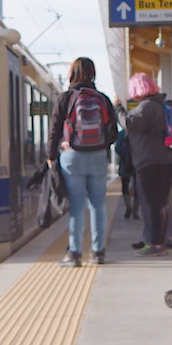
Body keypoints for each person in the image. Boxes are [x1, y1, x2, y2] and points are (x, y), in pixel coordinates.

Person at [47, 57, 117, 266]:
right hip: (97, 157)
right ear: (93, 73)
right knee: (98, 205)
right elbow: (113, 132)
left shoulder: (66, 97)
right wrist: (100, 145)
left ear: (72, 74)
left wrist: (52, 155)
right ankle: (98, 252)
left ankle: (74, 254)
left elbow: (54, 129)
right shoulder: (102, 99)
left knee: (76, 207)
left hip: (72, 157)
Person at [113, 73, 172, 256]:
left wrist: (117, 107)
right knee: (160, 203)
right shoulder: (158, 104)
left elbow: (128, 123)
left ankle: (157, 244)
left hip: (152, 162)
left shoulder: (148, 106)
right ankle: (154, 240)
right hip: (163, 160)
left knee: (153, 204)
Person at [114, 129, 139, 219]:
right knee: (138, 188)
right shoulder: (138, 132)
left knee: (125, 187)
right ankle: (135, 211)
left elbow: (117, 148)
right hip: (137, 164)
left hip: (124, 164)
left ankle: (128, 207)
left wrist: (124, 153)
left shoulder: (122, 133)